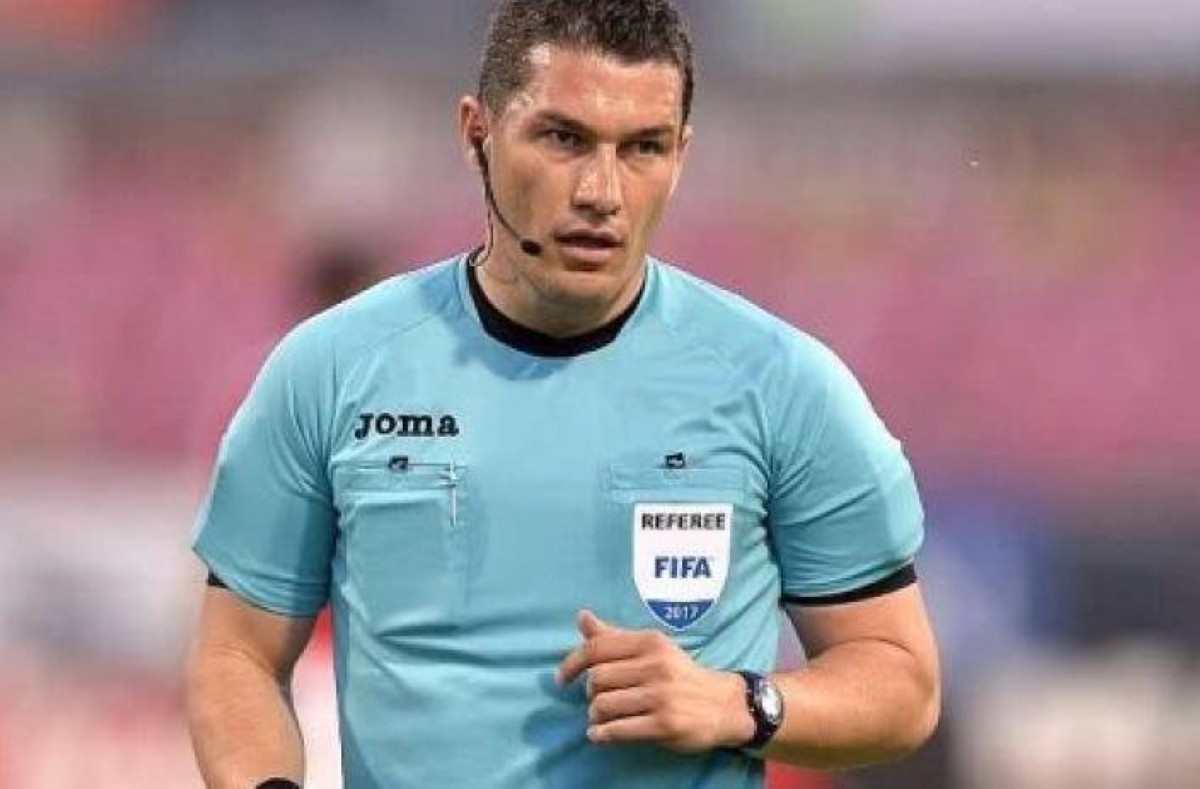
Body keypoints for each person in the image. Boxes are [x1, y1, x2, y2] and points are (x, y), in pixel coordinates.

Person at [184, 2, 941, 787]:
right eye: (563, 138)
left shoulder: (784, 385)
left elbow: (902, 681)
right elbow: (237, 653)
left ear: (681, 154)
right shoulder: (329, 370)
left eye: (643, 147)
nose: (601, 191)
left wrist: (741, 701)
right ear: (477, 134)